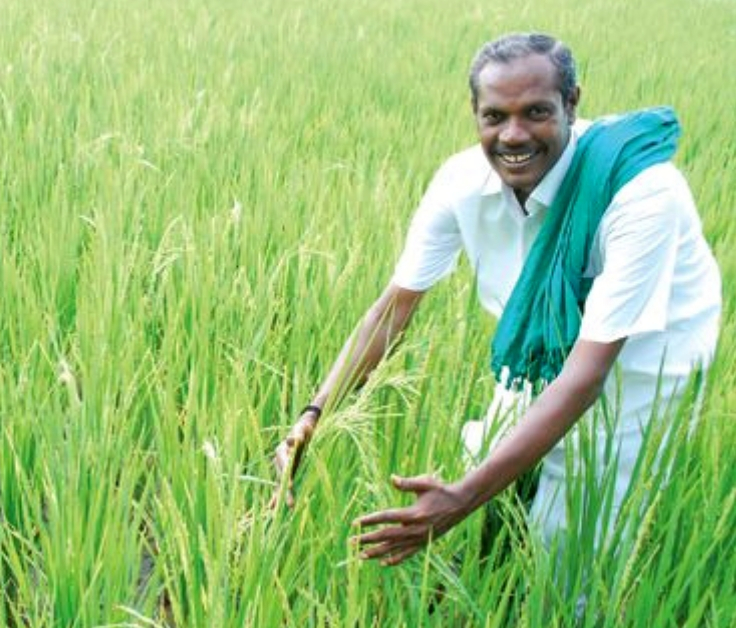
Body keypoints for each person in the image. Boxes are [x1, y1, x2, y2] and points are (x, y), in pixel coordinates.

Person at [271, 32, 721, 568]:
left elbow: (587, 376)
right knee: (494, 482)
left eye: (536, 112)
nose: (513, 135)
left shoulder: (642, 193)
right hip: (540, 350)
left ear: (572, 102)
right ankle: (494, 574)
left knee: (569, 548)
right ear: (475, 113)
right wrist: (314, 415)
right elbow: (393, 309)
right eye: (495, 116)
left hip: (644, 362)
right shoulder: (461, 182)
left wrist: (459, 498)